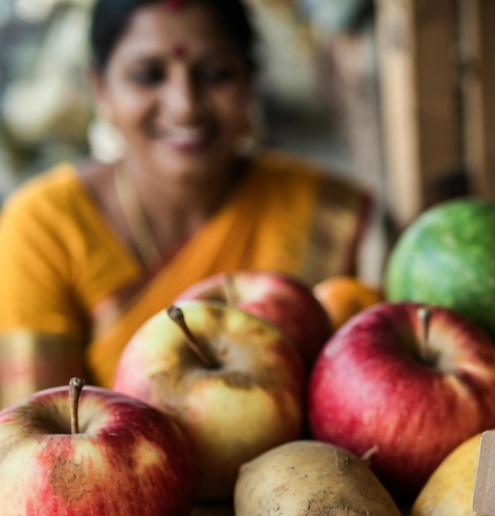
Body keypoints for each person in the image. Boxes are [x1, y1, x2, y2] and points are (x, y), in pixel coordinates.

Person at [0, 0, 371, 406]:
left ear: (251, 80)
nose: (185, 104)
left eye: (215, 75)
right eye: (148, 76)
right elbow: (36, 431)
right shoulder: (44, 226)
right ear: (100, 86)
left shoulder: (319, 209)